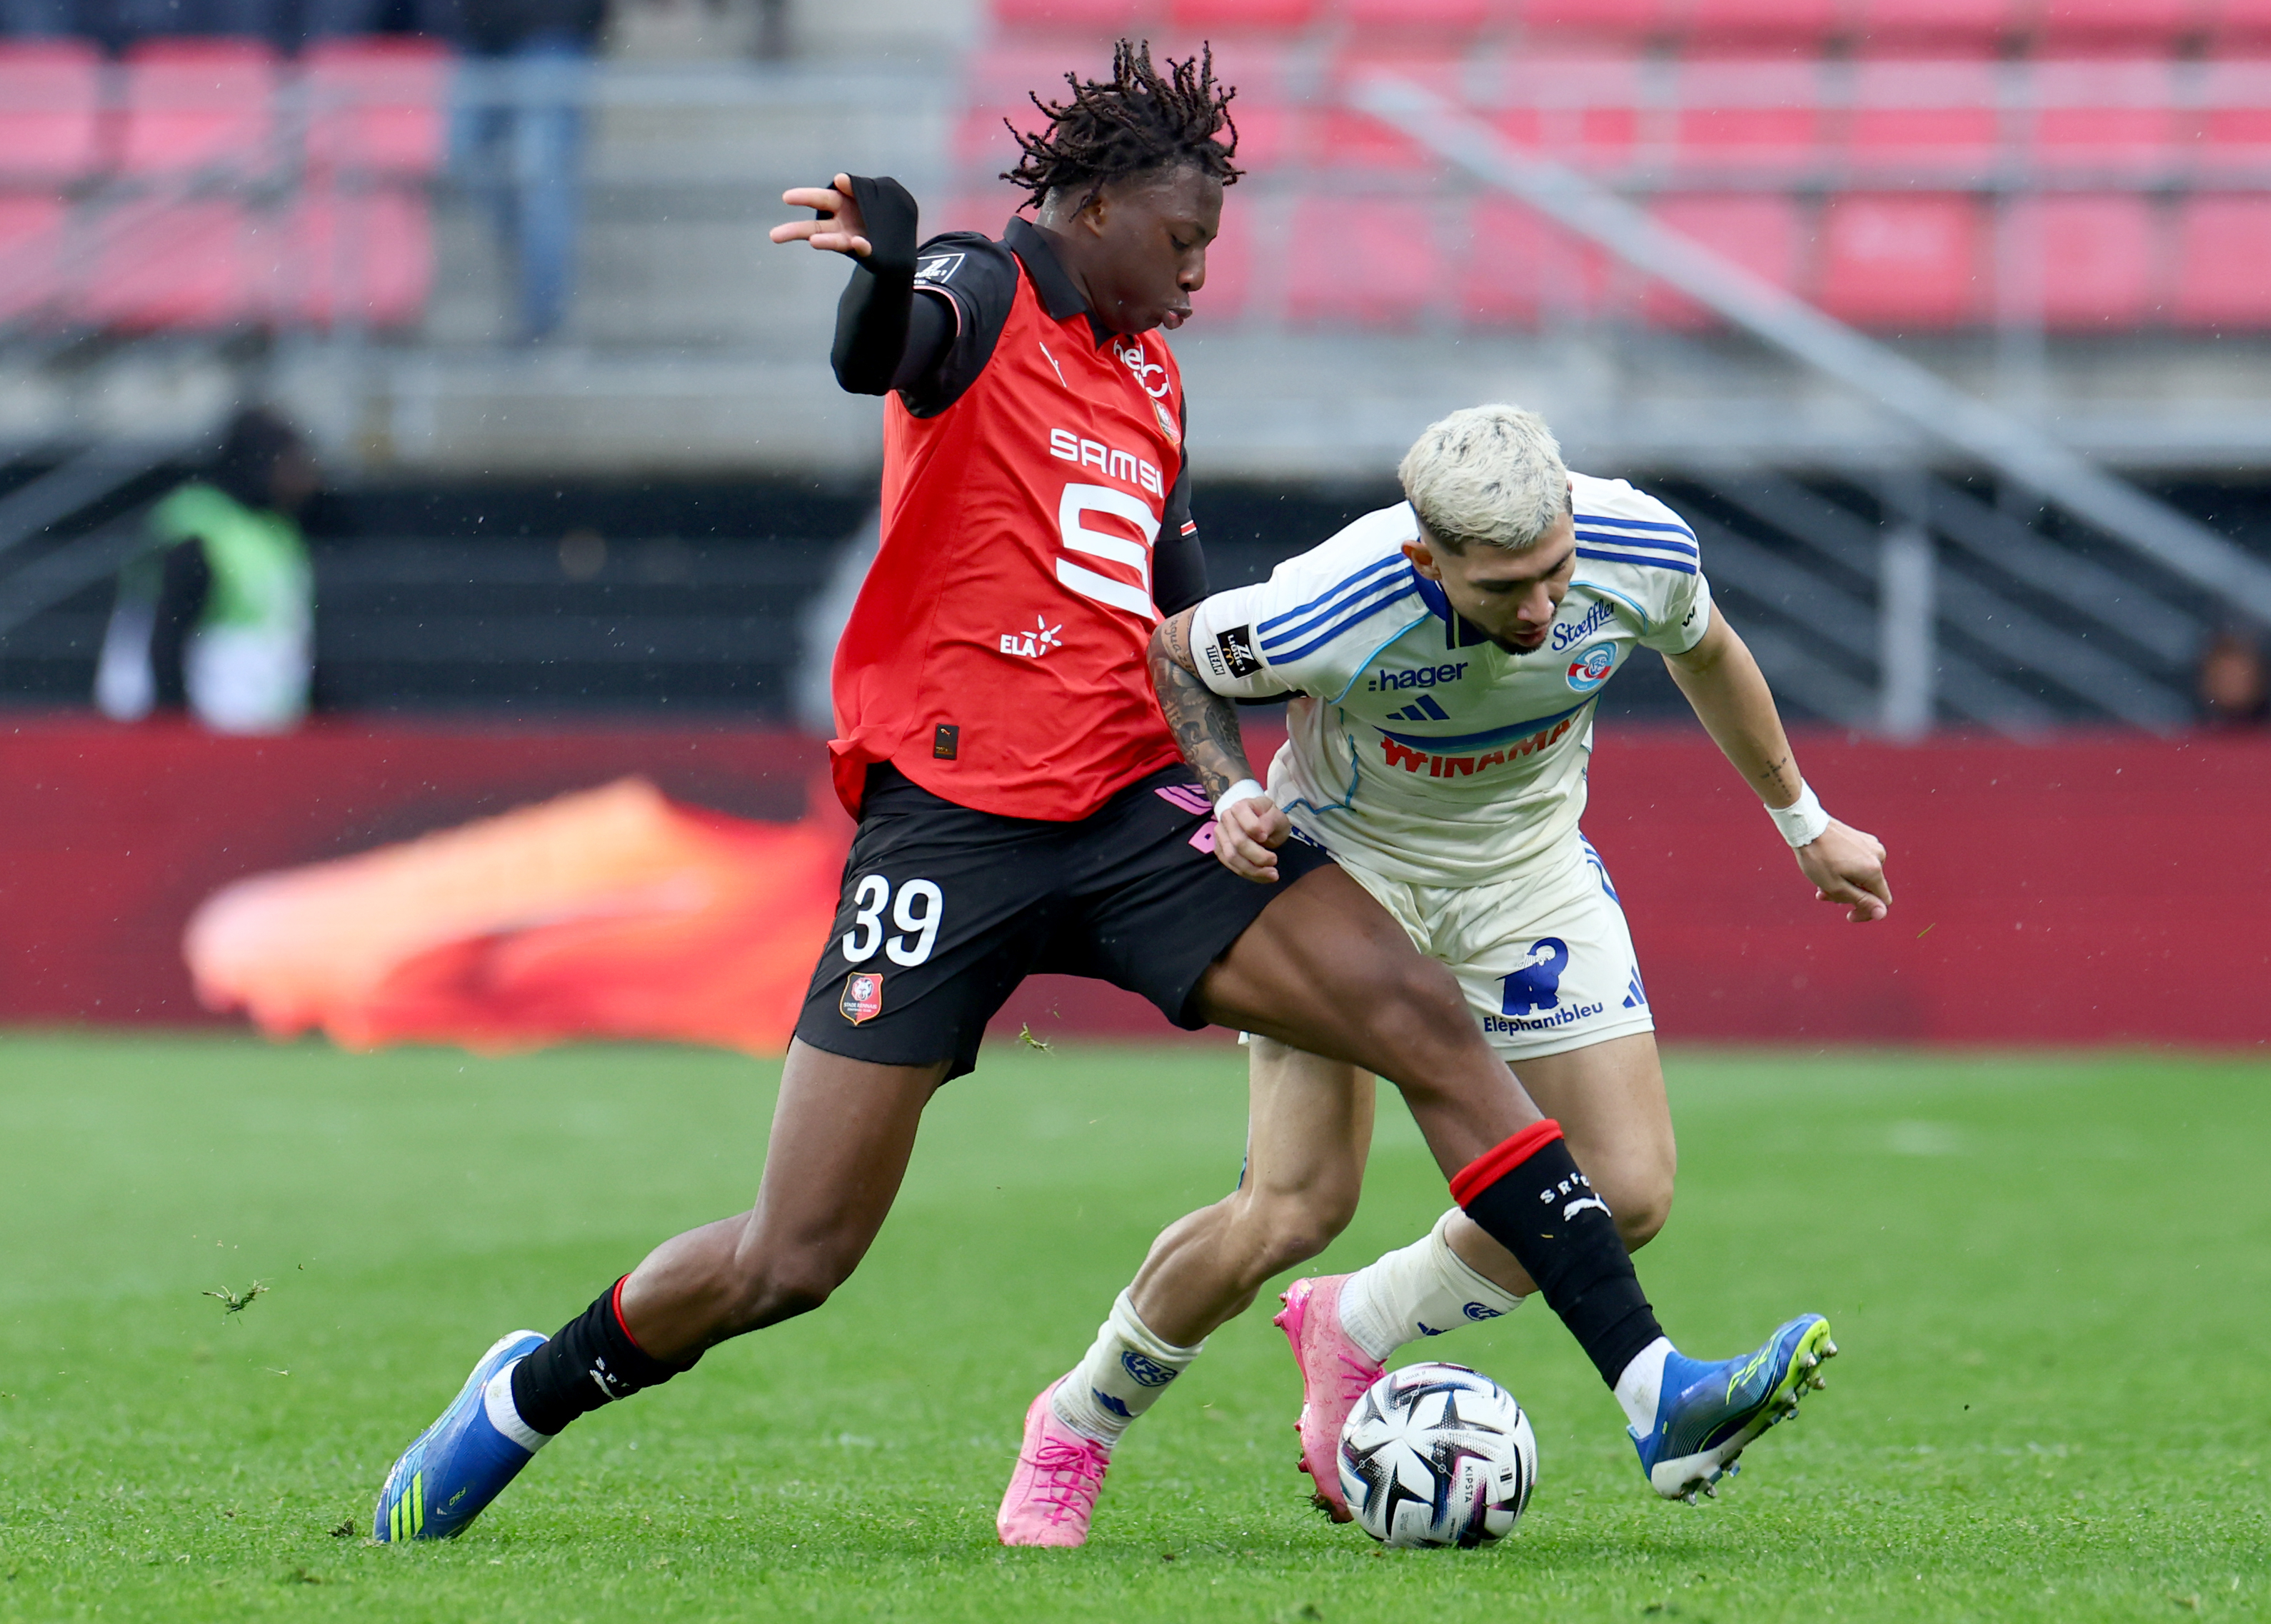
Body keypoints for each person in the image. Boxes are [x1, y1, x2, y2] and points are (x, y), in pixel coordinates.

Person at [369, 44, 1823, 1548]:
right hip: (952, 825)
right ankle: (525, 1395)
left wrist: (1230, 788)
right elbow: (884, 357)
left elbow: (1177, 609)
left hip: (1136, 815)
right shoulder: (979, 288)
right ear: (1104, 204)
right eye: (1184, 242)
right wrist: (876, 264)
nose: (1197, 278)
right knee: (792, 1259)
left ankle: (1652, 1385)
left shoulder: (1150, 375)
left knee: (1423, 1021)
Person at [1013, 403, 1882, 1539]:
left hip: (1529, 875)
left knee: (1628, 1190)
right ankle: (1076, 1424)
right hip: (1347, 879)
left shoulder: (1642, 548)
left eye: (1553, 572)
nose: (1539, 608)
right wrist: (1229, 788)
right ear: (1427, 557)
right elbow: (1176, 654)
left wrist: (1804, 821)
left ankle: (1356, 1321)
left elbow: (1707, 650)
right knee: (1293, 1206)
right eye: (1501, 587)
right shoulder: (1333, 604)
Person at [94, 406, 319, 735]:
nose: (303, 477)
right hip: (205, 720)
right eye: (289, 463)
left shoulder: (275, 530)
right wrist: (174, 725)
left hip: (260, 721)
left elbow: (290, 629)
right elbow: (167, 635)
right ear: (262, 461)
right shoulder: (197, 523)